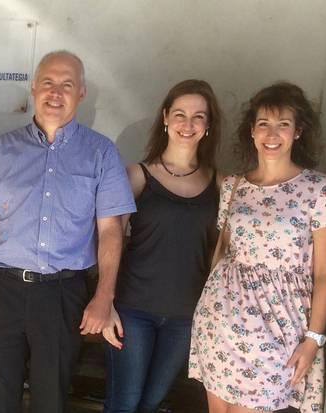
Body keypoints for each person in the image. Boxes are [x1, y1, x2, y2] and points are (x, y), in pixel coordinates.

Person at [0, 50, 136, 413]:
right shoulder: (2, 150)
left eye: (67, 85)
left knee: (51, 401)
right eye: (48, 83)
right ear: (34, 88)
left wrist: (104, 296)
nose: (56, 92)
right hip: (1, 292)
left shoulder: (101, 154)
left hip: (62, 294)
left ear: (81, 93)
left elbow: (111, 231)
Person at [189, 82, 326, 413]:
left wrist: (313, 339)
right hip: (219, 322)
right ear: (252, 131)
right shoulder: (233, 186)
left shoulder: (318, 190)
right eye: (264, 123)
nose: (272, 134)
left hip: (278, 329)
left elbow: (324, 274)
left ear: (297, 131)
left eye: (283, 124)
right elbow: (223, 253)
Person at [102, 79, 222, 413]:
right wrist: (104, 303)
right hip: (132, 310)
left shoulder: (220, 183)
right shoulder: (137, 176)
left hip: (186, 317)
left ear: (208, 125)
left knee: (152, 403)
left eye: (198, 116)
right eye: (180, 114)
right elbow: (110, 242)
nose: (188, 123)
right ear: (166, 117)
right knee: (124, 404)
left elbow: (221, 254)